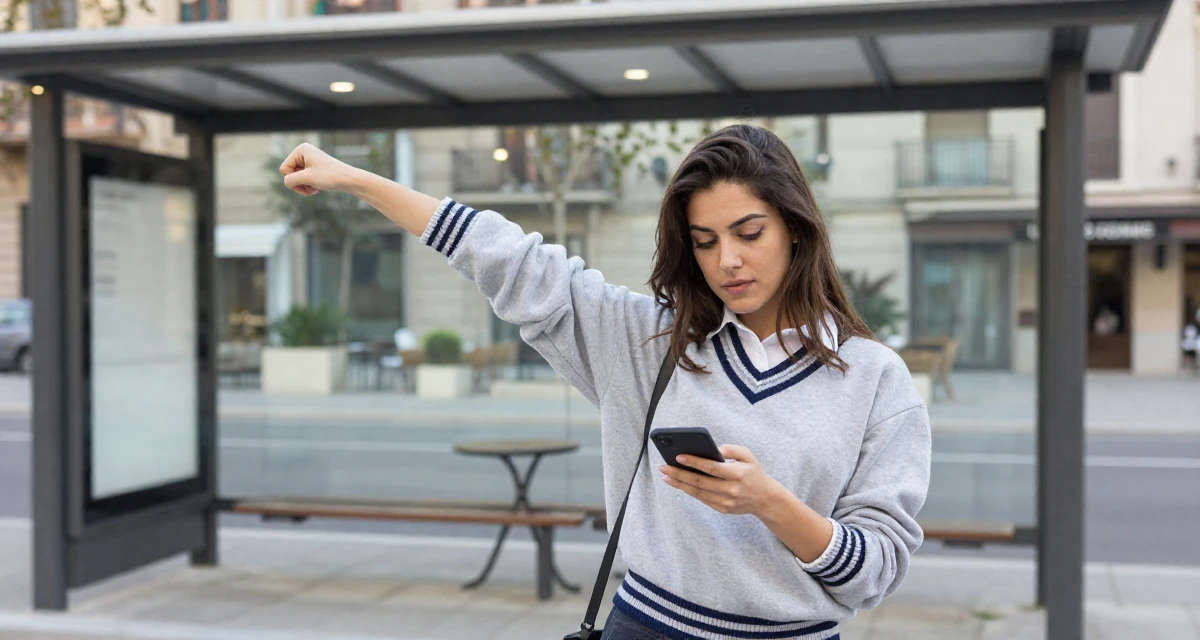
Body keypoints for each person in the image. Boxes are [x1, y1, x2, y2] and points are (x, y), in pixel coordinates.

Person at [280, 125, 931, 640]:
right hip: (645, 628)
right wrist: (355, 180)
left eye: (748, 232)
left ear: (795, 227)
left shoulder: (876, 380)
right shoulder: (648, 341)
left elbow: (876, 570)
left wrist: (769, 502)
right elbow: (510, 259)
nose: (727, 260)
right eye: (703, 241)